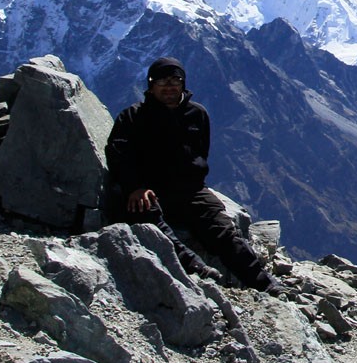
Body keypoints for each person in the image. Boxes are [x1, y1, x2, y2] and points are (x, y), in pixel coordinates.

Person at [105, 57, 285, 296]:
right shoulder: (132, 117)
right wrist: (134, 186)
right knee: (147, 217)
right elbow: (117, 153)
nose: (169, 86)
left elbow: (201, 152)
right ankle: (196, 269)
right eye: (161, 81)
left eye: (175, 80)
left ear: (183, 83)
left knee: (222, 229)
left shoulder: (197, 114)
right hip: (149, 190)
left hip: (190, 190)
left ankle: (264, 283)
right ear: (150, 85)